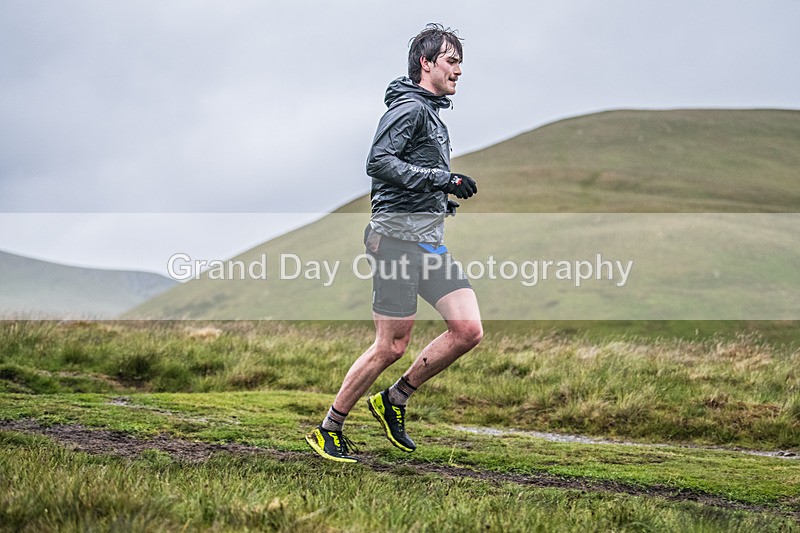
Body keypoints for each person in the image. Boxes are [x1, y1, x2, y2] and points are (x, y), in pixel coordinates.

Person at [305, 23, 482, 462]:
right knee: (391, 345)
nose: (459, 71)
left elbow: (410, 175)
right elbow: (378, 162)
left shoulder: (432, 113)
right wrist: (442, 178)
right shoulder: (409, 109)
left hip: (428, 243)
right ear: (426, 64)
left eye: (460, 62)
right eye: (451, 61)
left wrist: (440, 198)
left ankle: (394, 399)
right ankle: (329, 428)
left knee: (467, 330)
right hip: (396, 242)